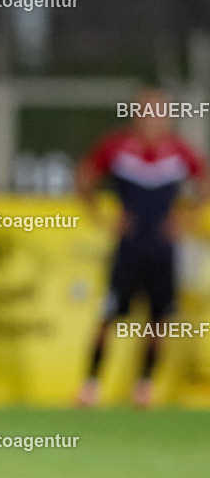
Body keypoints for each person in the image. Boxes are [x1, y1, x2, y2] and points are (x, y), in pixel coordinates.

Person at [76, 87, 209, 408]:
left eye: (160, 112)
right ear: (136, 114)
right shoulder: (117, 146)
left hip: (162, 249)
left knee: (159, 319)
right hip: (129, 247)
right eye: (147, 111)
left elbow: (204, 183)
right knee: (109, 315)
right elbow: (84, 177)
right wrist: (103, 217)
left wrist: (185, 220)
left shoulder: (178, 151)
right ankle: (91, 385)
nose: (153, 118)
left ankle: (144, 386)